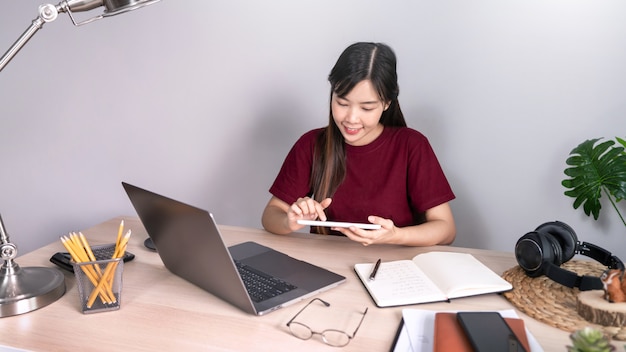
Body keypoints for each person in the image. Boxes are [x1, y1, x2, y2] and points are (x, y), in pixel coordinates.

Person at [261, 42, 456, 246]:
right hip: (326, 267)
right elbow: (270, 215)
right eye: (342, 103)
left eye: (367, 108)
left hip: (392, 268)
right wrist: (289, 220)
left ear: (386, 103)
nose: (352, 118)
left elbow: (446, 229)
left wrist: (396, 235)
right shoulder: (312, 145)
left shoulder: (412, 146)